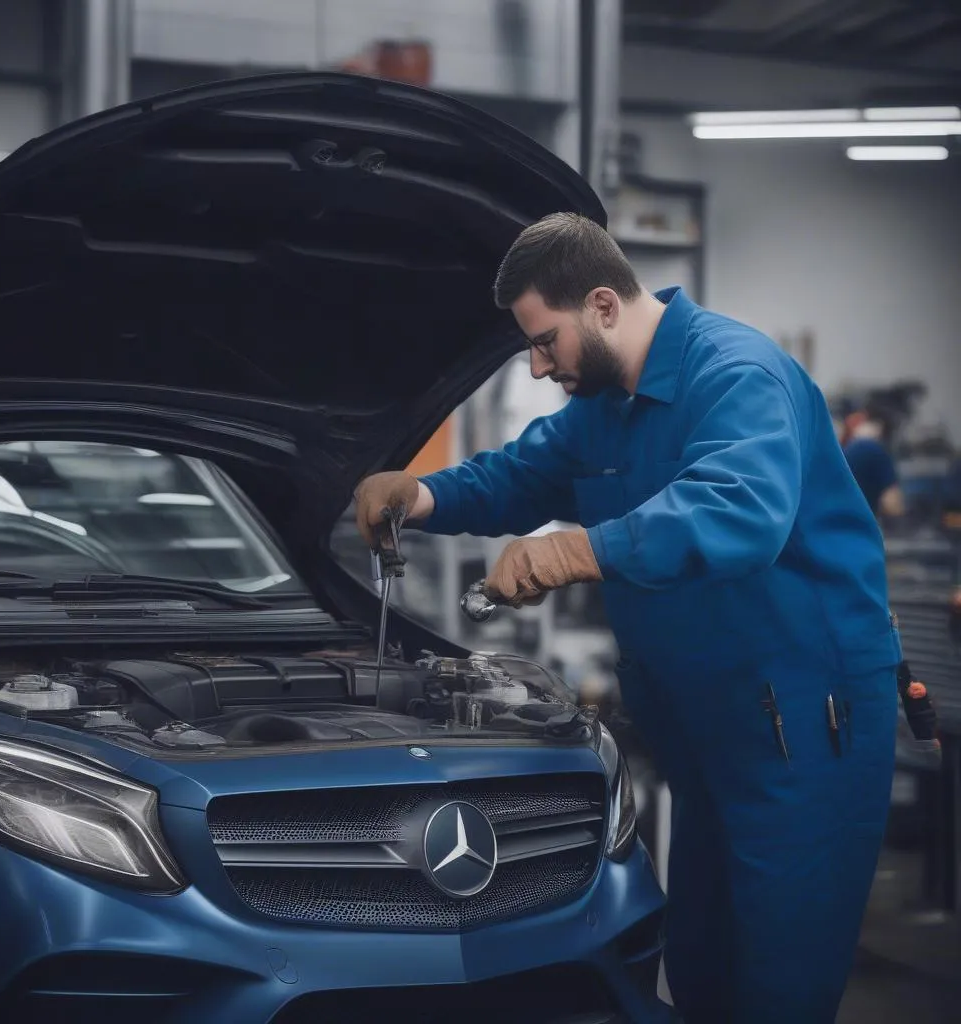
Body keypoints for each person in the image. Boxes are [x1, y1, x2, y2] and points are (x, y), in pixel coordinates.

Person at [354, 212, 901, 1024]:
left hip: (804, 719)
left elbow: (741, 510)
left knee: (782, 977)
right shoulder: (604, 406)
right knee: (705, 962)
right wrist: (421, 495)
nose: (540, 368)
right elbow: (522, 473)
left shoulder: (736, 374)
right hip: (706, 718)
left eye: (546, 342)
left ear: (603, 305)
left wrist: (577, 553)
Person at [841, 402, 905, 521]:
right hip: (859, 528)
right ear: (879, 426)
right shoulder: (876, 451)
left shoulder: (846, 449)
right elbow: (891, 503)